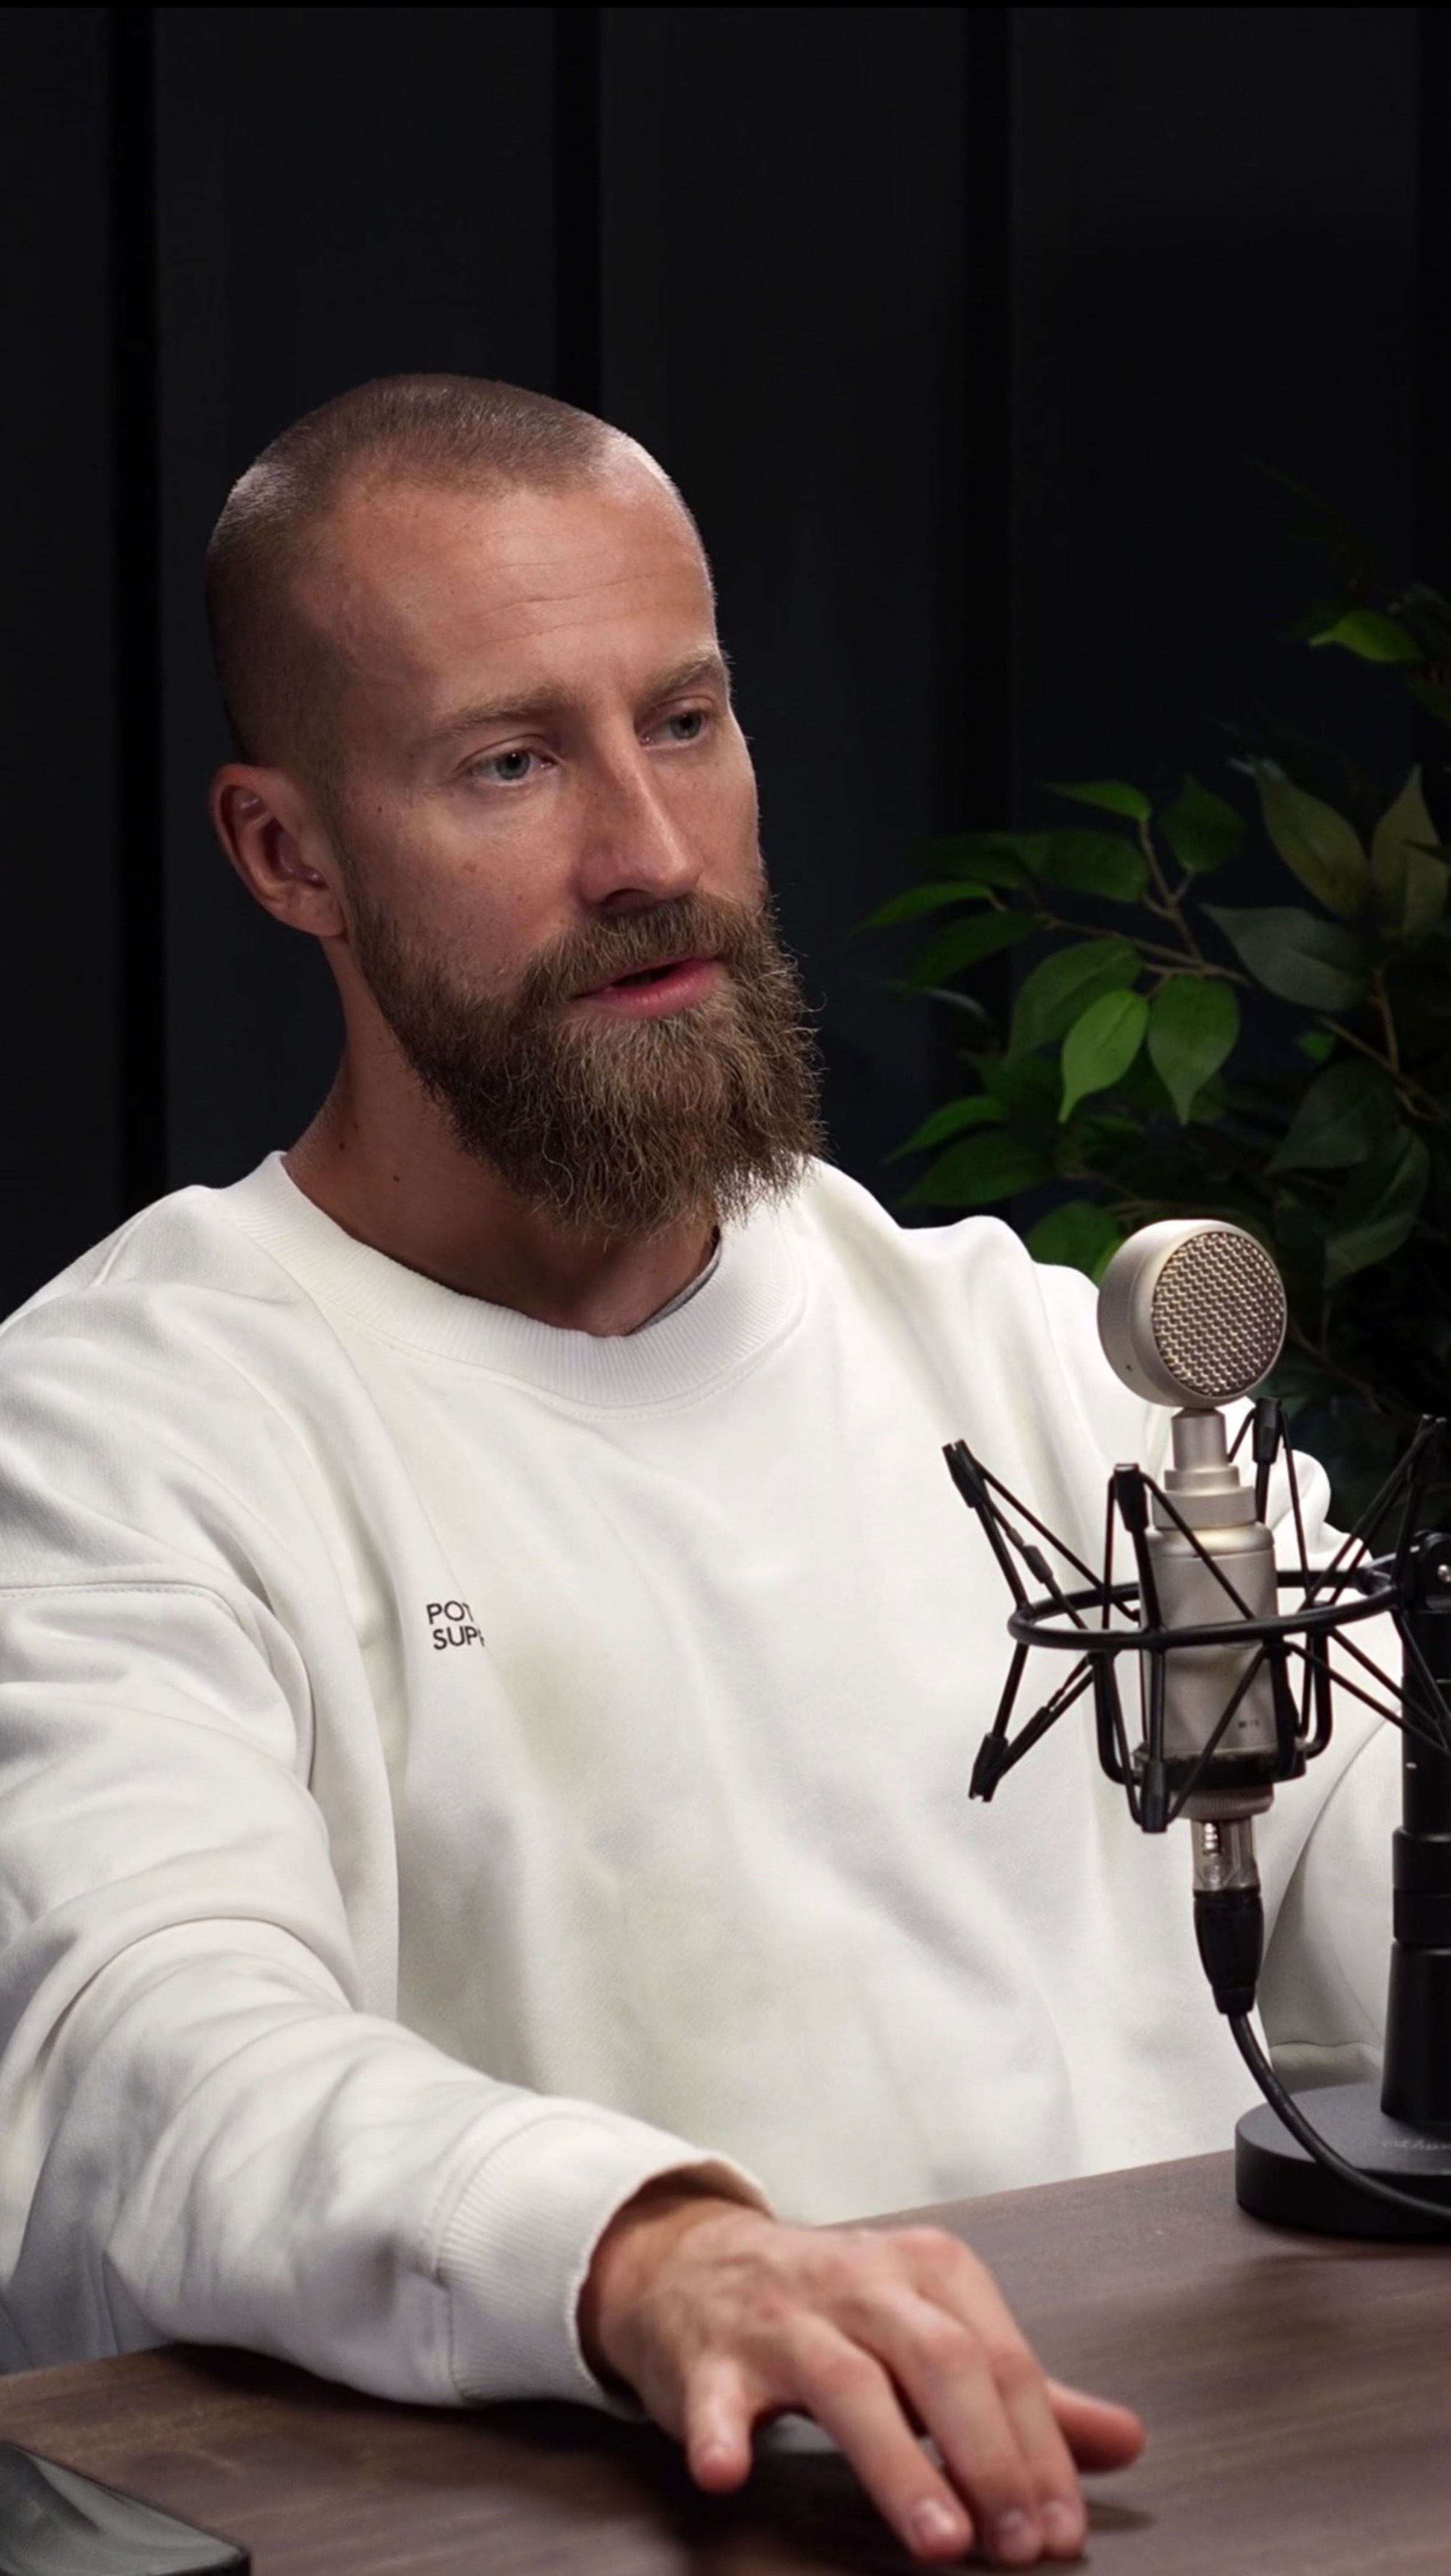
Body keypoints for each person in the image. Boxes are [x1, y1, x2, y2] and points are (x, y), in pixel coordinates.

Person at [0, 377, 1395, 2569]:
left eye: (684, 719)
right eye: (510, 761)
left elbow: (1404, 1864)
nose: (648, 852)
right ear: (288, 855)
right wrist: (658, 2251)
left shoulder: (1048, 1362)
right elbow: (146, 2066)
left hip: (1192, 2506)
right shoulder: (126, 1429)